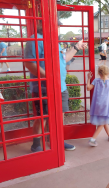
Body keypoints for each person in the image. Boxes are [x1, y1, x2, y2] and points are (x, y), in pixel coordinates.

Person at [24, 19, 87, 152]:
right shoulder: (35, 39)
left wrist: (77, 47)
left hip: (60, 86)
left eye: (58, 25)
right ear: (43, 24)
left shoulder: (54, 42)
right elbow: (29, 63)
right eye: (55, 24)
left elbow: (64, 59)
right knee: (43, 117)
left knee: (60, 115)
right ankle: (36, 144)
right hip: (43, 87)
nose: (58, 27)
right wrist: (49, 77)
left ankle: (58, 140)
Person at [87, 65, 109, 147]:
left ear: (99, 73)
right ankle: (93, 139)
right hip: (106, 105)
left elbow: (88, 88)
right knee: (103, 121)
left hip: (97, 104)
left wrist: (89, 78)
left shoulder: (96, 81)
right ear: (108, 72)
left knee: (104, 121)